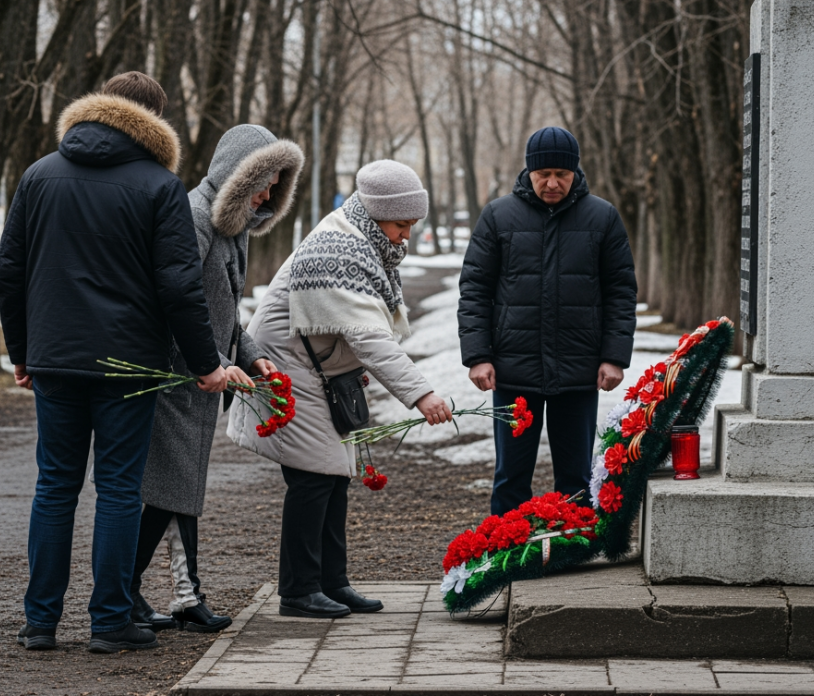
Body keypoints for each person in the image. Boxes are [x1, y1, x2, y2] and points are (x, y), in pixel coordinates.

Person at [0, 72, 228, 653]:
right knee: (119, 490)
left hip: (55, 359)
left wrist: (22, 352)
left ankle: (40, 623)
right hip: (127, 366)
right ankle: (109, 622)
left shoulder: (39, 175)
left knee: (54, 488)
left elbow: (9, 272)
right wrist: (206, 363)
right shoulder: (159, 186)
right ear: (153, 121)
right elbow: (179, 287)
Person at [228, 160, 453, 619]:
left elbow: (356, 328)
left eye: (411, 224)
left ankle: (332, 582)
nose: (405, 236)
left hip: (316, 369)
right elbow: (369, 337)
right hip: (286, 369)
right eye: (400, 224)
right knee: (313, 479)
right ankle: (298, 590)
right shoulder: (338, 249)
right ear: (376, 214)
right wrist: (422, 394)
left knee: (333, 478)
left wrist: (343, 365)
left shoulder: (362, 239)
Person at [131, 125, 304, 633]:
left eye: (276, 184)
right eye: (264, 181)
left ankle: (176, 595)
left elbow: (222, 308)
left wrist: (250, 356)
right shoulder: (193, 217)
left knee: (178, 490)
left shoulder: (233, 226)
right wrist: (210, 365)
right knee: (172, 490)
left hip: (203, 376)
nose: (269, 194)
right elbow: (179, 302)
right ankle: (137, 591)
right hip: (180, 376)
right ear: (238, 174)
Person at [457, 126, 637, 516]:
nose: (552, 183)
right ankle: (504, 550)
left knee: (575, 477)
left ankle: (570, 555)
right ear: (529, 172)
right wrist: (477, 355)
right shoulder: (497, 216)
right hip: (512, 369)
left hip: (578, 369)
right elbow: (474, 290)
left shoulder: (602, 217)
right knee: (511, 475)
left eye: (562, 174)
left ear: (575, 172)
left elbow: (621, 292)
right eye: (544, 175)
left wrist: (614, 356)